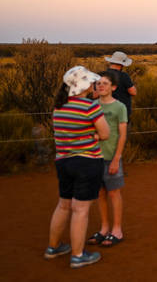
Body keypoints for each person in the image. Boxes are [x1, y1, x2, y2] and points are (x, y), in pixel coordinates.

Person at [45, 66, 110, 268]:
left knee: (63, 204)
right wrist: (93, 136)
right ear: (83, 85)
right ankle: (78, 255)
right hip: (87, 162)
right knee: (81, 210)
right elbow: (105, 133)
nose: (93, 84)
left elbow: (63, 133)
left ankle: (53, 248)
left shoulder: (59, 107)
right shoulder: (90, 107)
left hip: (63, 162)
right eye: (90, 82)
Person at [86, 71, 127, 247]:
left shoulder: (119, 107)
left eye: (105, 83)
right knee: (100, 193)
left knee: (113, 192)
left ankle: (117, 230)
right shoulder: (92, 106)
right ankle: (104, 228)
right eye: (98, 83)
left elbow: (122, 134)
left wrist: (117, 158)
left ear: (113, 87)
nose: (101, 86)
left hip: (111, 156)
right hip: (94, 156)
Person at [104, 51, 137, 121]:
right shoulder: (124, 76)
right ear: (121, 64)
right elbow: (133, 92)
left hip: (105, 113)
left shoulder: (102, 75)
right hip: (121, 114)